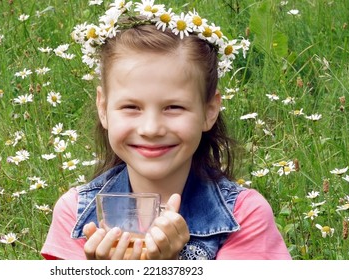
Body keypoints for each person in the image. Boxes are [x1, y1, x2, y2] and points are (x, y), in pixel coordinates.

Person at [41, 0, 291, 260]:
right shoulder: (75, 214)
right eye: (131, 107)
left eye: (173, 107)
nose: (151, 129)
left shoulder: (245, 215)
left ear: (209, 111)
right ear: (103, 108)